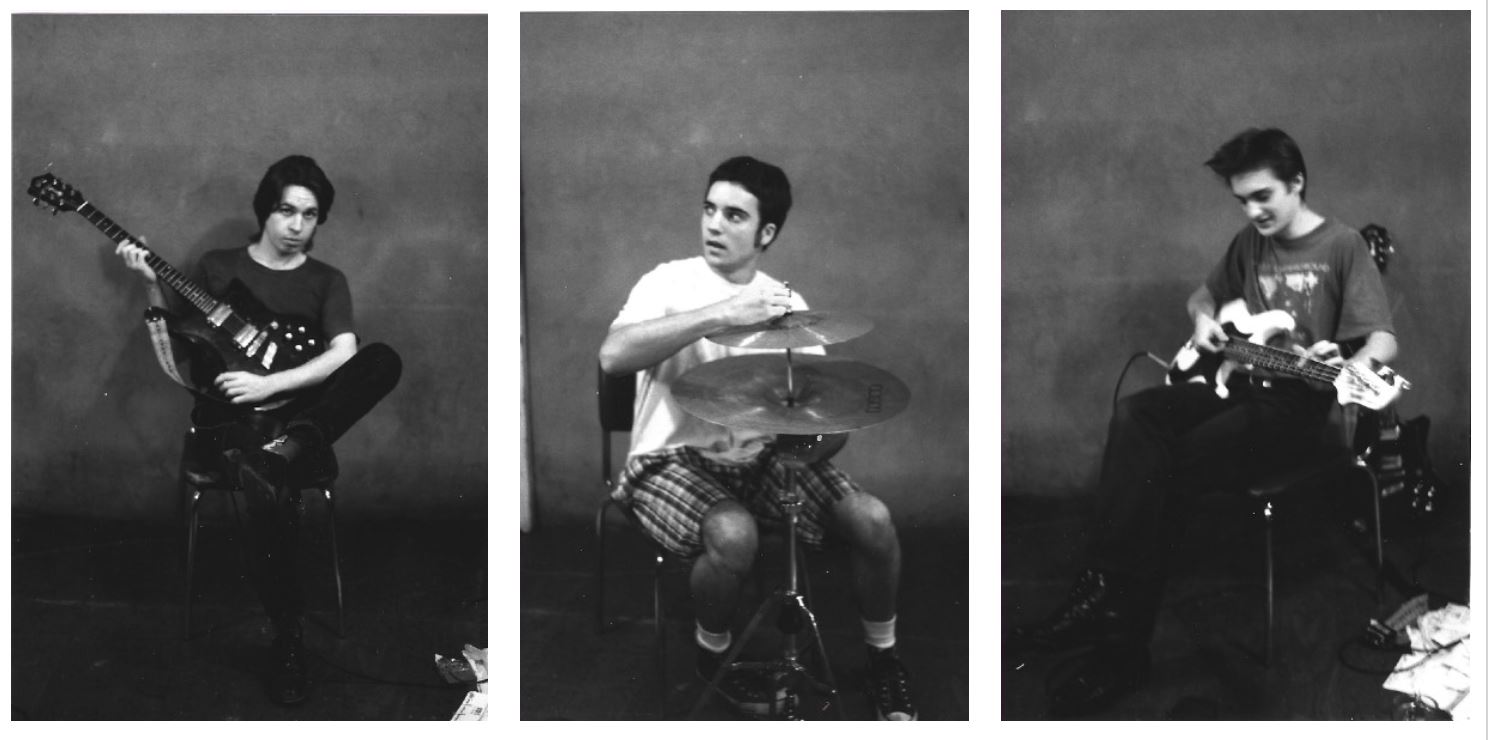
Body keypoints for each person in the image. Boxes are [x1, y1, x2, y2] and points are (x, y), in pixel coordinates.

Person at [1008, 128, 1397, 716]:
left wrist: (1354, 362)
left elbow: (1384, 340)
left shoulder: (1342, 247)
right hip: (1232, 386)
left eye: (1263, 196)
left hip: (1292, 410)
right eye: (1242, 200)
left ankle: (1116, 636)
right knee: (1137, 415)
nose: (1253, 211)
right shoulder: (1248, 243)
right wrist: (1203, 322)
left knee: (1160, 470)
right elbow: (1203, 297)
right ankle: (1107, 598)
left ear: (1297, 182)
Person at [598, 155, 917, 720]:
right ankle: (712, 656)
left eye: (734, 215)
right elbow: (613, 356)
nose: (714, 225)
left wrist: (806, 449)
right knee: (734, 533)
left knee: (872, 520)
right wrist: (723, 310)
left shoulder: (784, 303)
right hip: (668, 459)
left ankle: (883, 660)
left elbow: (827, 411)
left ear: (766, 233)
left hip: (761, 460)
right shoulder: (666, 281)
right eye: (709, 209)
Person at [116, 155, 403, 705]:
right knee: (267, 486)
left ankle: (291, 446)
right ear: (264, 210)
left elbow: (345, 352)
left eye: (310, 215)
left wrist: (272, 384)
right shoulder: (218, 267)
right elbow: (182, 341)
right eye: (286, 211)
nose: (297, 226)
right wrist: (152, 284)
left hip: (299, 414)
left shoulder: (327, 280)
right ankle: (289, 638)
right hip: (237, 418)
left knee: (382, 358)